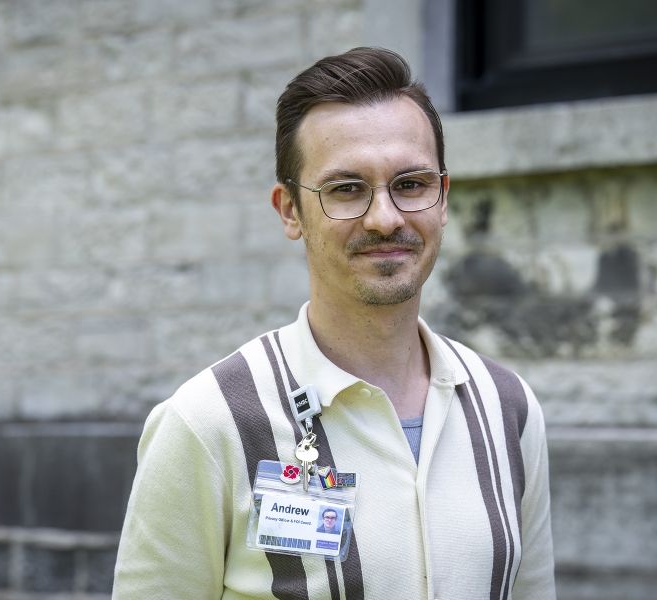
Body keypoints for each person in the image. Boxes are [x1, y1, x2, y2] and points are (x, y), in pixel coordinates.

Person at [113, 47, 555, 599]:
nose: (385, 218)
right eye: (346, 189)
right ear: (290, 211)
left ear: (443, 198)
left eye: (410, 184)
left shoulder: (508, 408)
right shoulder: (208, 423)